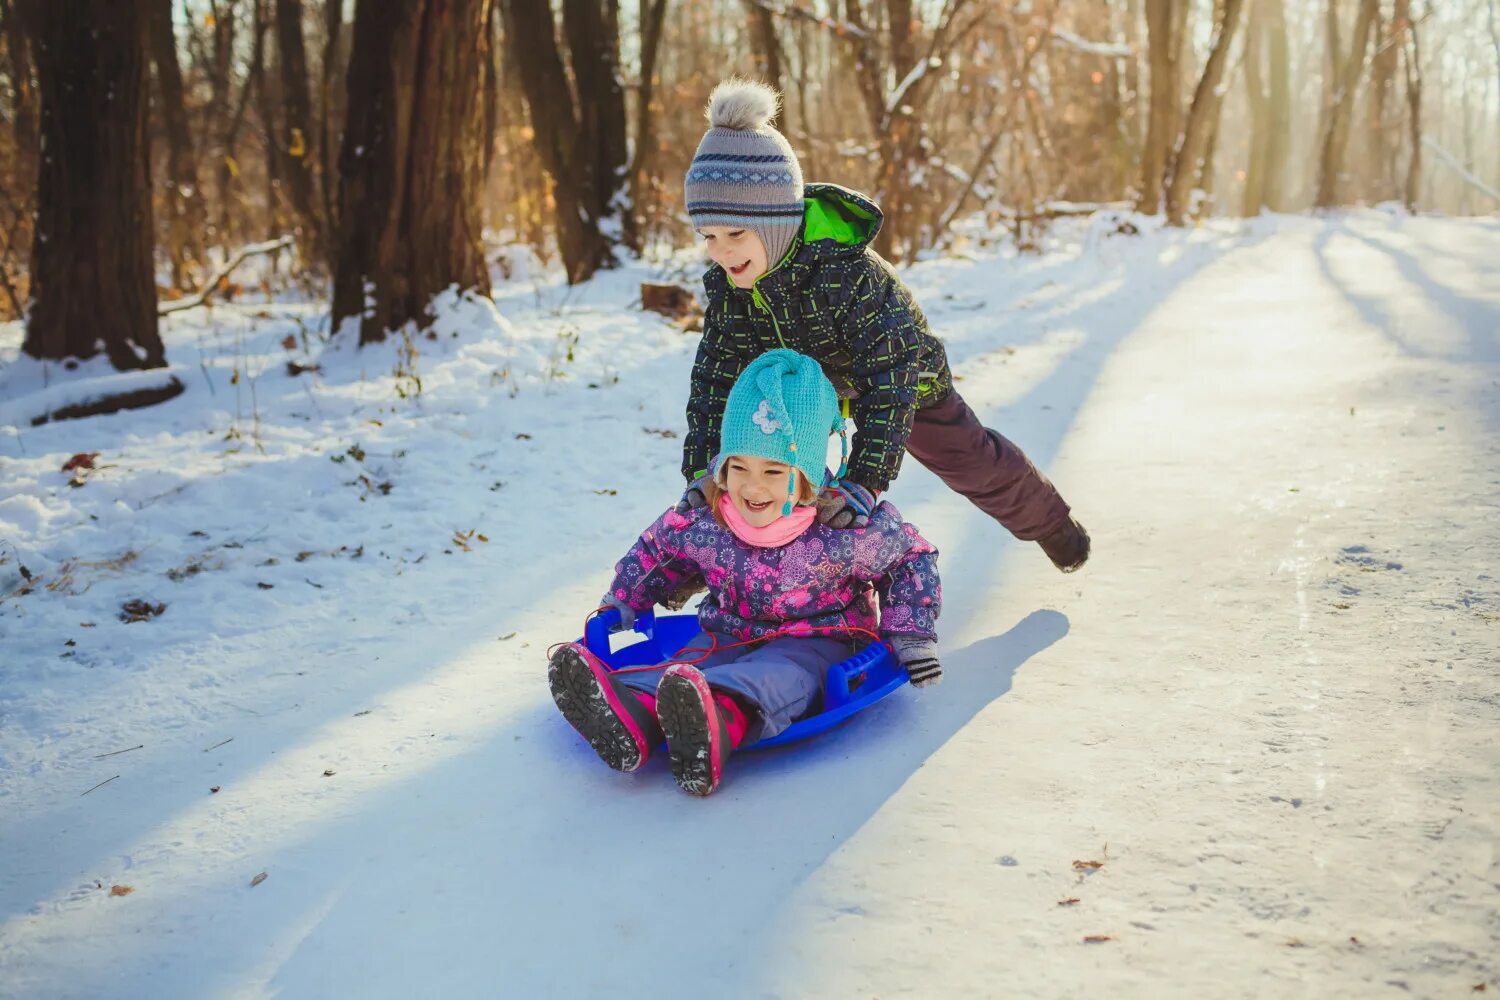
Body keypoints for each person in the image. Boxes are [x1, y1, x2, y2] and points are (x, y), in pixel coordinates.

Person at [677, 78, 1090, 572]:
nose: (720, 251)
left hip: (903, 378)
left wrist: (865, 479)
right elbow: (716, 381)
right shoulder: (731, 290)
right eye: (708, 235)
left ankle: (1051, 525)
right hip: (805, 388)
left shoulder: (847, 273)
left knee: (968, 459)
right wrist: (705, 470)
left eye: (735, 234)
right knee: (763, 477)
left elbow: (890, 377)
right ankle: (768, 583)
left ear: (775, 222)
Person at [548, 349, 941, 796]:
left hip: (818, 641)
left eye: (774, 471)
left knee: (776, 675)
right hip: (727, 631)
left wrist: (910, 633)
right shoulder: (711, 517)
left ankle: (716, 721)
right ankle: (632, 713)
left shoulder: (844, 528)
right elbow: (660, 550)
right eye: (739, 468)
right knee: (683, 669)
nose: (753, 487)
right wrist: (624, 600)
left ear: (806, 476)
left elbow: (911, 557)